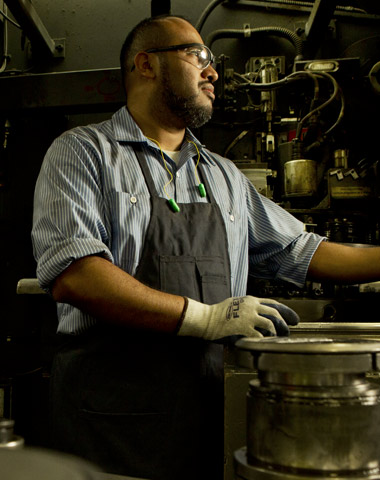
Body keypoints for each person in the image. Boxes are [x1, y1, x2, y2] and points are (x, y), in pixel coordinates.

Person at [32, 14, 380, 480]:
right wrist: (205, 317)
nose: (213, 71)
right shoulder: (83, 152)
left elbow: (304, 250)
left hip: (207, 408)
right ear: (146, 64)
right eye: (197, 56)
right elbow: (76, 274)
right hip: (112, 413)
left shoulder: (223, 175)